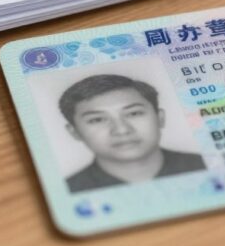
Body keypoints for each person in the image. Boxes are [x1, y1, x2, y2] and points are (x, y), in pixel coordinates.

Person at [59, 74, 206, 193]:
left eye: (134, 113)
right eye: (97, 119)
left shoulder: (208, 164)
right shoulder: (67, 191)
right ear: (75, 132)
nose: (122, 130)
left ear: (160, 118)